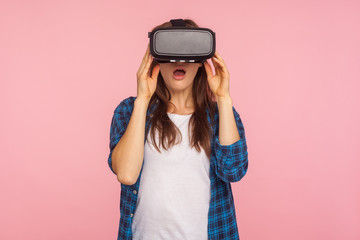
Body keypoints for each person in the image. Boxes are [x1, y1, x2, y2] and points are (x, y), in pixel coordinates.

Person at [107, 19, 248, 240]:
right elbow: (125, 174)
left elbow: (233, 171)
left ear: (201, 60)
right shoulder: (129, 110)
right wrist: (143, 98)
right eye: (171, 50)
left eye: (188, 50)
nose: (179, 60)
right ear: (155, 59)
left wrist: (223, 97)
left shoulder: (221, 114)